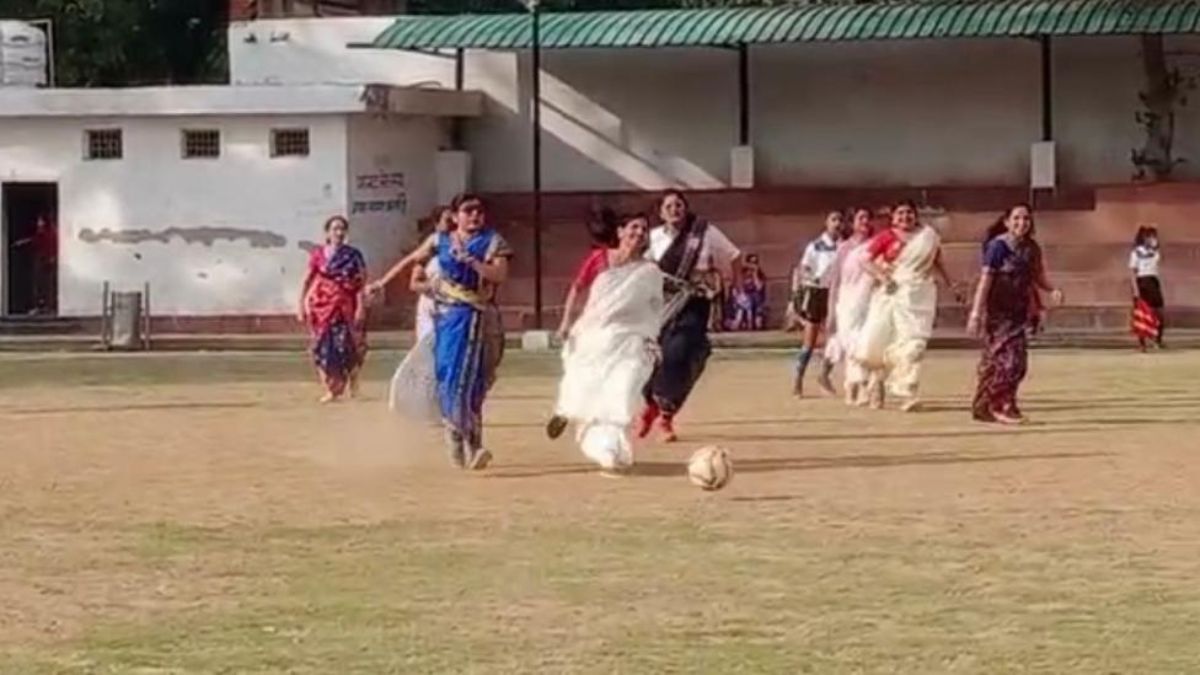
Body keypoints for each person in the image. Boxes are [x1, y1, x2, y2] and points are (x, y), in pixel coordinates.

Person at [551, 211, 663, 474]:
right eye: (634, 227)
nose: (638, 233)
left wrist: (651, 337)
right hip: (595, 336)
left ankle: (611, 448)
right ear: (621, 231)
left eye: (644, 229)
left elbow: (654, 309)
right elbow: (577, 289)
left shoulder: (650, 271)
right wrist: (566, 323)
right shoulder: (599, 259)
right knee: (587, 388)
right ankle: (574, 417)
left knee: (624, 388)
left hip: (632, 339)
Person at [639, 189, 741, 442]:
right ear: (661, 212)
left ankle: (666, 415)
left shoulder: (704, 233)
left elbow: (734, 256)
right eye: (669, 206)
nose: (675, 209)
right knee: (650, 358)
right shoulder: (651, 238)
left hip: (694, 304)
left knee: (679, 353)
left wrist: (732, 284)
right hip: (659, 305)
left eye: (679, 204)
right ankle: (650, 405)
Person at [852, 200, 958, 412]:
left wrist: (952, 286)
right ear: (893, 218)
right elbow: (864, 260)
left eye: (909, 213)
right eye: (900, 214)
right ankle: (877, 383)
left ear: (916, 215)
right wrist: (882, 276)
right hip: (891, 295)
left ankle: (908, 392)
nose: (905, 217)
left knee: (914, 345)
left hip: (919, 296)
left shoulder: (928, 238)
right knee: (882, 341)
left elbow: (938, 263)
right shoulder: (886, 237)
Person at [968, 204, 1063, 424]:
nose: (1022, 223)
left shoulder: (1031, 248)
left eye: (1026, 219)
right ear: (1007, 221)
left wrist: (1052, 290)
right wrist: (976, 312)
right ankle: (999, 405)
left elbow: (1038, 276)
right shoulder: (998, 247)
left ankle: (987, 406)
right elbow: (986, 281)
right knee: (1008, 361)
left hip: (1020, 310)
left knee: (1005, 361)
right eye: (1017, 218)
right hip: (998, 312)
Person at [298, 216, 368, 403]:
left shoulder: (353, 255)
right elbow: (307, 280)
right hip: (321, 306)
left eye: (342, 229)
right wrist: (301, 305)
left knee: (348, 346)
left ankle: (354, 383)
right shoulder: (318, 255)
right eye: (335, 229)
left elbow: (360, 284)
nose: (339, 233)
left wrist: (361, 307)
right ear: (327, 232)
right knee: (320, 347)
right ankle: (329, 389)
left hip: (345, 306)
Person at [823, 207, 876, 405]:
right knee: (851, 343)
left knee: (865, 343)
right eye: (861, 218)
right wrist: (831, 312)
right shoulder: (844, 248)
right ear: (852, 223)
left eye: (868, 218)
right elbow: (835, 281)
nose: (865, 221)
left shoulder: (875, 245)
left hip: (870, 300)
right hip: (847, 301)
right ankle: (854, 384)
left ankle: (860, 384)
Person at [791, 211, 843, 396]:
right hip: (817, 292)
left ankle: (824, 375)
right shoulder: (815, 246)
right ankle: (798, 378)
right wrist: (807, 279)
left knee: (835, 339)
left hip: (836, 293)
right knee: (810, 340)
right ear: (826, 222)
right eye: (833, 219)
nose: (837, 224)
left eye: (840, 220)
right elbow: (804, 266)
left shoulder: (844, 246)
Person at [1130, 225, 1165, 350]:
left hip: (1153, 281)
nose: (1152, 239)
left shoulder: (1155, 252)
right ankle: (1142, 344)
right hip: (1142, 282)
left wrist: (1155, 246)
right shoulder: (1136, 252)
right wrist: (1135, 289)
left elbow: (1156, 261)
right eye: (1150, 236)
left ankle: (1158, 340)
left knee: (1159, 313)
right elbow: (1133, 272)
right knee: (1142, 313)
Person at [729, 254, 766, 331]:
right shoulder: (742, 274)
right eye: (751, 262)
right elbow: (735, 287)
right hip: (743, 298)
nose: (753, 265)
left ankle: (754, 321)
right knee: (743, 302)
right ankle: (740, 322)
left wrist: (755, 274)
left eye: (755, 262)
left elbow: (759, 287)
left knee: (756, 297)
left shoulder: (760, 275)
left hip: (755, 298)